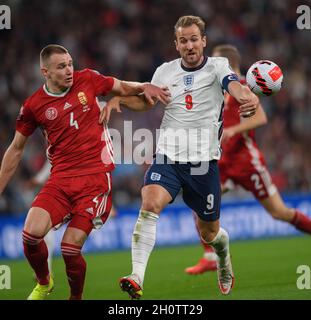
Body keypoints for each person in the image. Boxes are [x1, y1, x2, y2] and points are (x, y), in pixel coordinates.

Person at [100, 16, 259, 298]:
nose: (189, 45)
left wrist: (248, 97)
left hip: (202, 163)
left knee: (209, 233)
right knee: (149, 204)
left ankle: (223, 257)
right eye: (183, 41)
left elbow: (235, 86)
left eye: (194, 39)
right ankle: (136, 275)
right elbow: (146, 101)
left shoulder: (217, 67)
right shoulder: (165, 72)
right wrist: (120, 99)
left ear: (203, 41)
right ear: (176, 45)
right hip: (168, 157)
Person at [0, 44, 170, 300]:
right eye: (61, 66)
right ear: (45, 71)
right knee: (30, 235)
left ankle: (75, 298)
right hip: (60, 180)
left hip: (95, 178)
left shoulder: (88, 79)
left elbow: (123, 86)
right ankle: (44, 283)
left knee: (70, 248)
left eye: (70, 63)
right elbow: (15, 149)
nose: (69, 70)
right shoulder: (33, 105)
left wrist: (145, 85)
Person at [185, 44, 311, 275]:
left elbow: (260, 118)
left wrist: (234, 131)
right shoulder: (215, 89)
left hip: (246, 162)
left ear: (227, 64)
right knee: (197, 200)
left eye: (214, 61)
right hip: (220, 163)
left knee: (279, 212)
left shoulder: (243, 86)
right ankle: (211, 256)